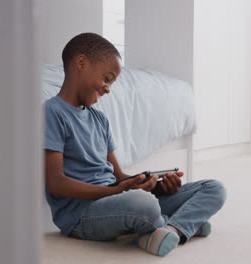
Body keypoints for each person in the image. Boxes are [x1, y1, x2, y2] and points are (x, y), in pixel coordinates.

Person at [44, 32, 226, 257]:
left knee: (214, 188)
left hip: (117, 198)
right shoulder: (52, 113)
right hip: (81, 215)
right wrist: (117, 191)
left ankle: (170, 229)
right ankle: (184, 224)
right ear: (81, 63)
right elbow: (56, 183)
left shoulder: (99, 119)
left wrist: (148, 184)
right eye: (107, 78)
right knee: (143, 204)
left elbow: (118, 176)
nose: (108, 88)